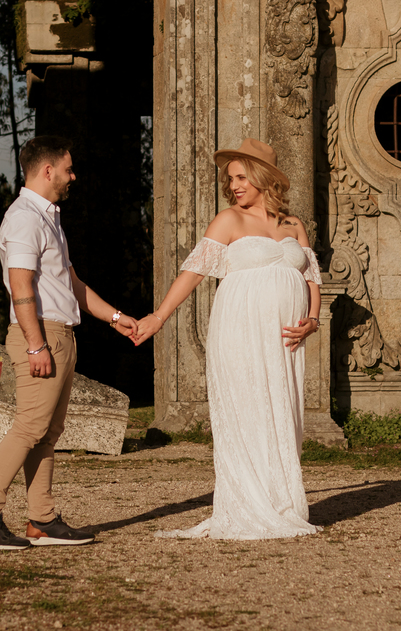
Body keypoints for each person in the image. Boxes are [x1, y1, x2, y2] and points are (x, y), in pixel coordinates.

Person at [132, 138, 321, 539]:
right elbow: (194, 272)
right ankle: (247, 504)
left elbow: (311, 277)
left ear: (263, 177)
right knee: (247, 410)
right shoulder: (228, 221)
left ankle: (280, 501)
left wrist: (313, 319)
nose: (233, 184)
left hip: (285, 338)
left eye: (241, 176)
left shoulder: (292, 225)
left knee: (282, 414)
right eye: (230, 177)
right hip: (239, 331)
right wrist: (158, 317)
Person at [0, 136, 139, 550]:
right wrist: (36, 344)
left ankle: (41, 520)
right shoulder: (24, 217)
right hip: (40, 333)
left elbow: (72, 285)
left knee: (47, 432)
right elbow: (20, 287)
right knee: (29, 426)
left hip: (60, 334)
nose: (72, 175)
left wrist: (116, 318)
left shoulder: (49, 218)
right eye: (68, 168)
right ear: (47, 170)